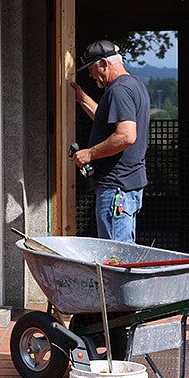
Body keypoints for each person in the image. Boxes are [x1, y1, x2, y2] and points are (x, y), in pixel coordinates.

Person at [69, 40, 150, 242]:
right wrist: (82, 98)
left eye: (91, 69)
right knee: (122, 251)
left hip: (116, 188)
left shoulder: (118, 91)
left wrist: (89, 153)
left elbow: (126, 135)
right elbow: (106, 121)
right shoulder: (133, 85)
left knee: (116, 257)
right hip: (125, 186)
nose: (90, 74)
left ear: (104, 63)